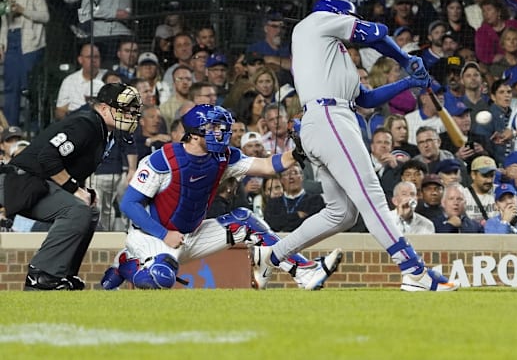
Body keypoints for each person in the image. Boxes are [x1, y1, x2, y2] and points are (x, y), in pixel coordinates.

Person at [252, 0, 458, 291]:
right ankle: (413, 271)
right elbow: (376, 32)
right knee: (372, 197)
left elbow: (364, 98)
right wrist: (403, 58)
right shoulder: (317, 22)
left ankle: (272, 255)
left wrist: (408, 82)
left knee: (342, 213)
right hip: (329, 119)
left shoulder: (327, 51)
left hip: (329, 119)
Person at [101, 104, 343, 291]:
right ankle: (125, 263)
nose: (222, 133)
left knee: (246, 221)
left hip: (191, 234)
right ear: (194, 135)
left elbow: (268, 166)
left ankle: (305, 273)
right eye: (214, 128)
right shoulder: (162, 159)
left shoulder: (223, 157)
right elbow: (129, 204)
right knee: (160, 278)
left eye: (222, 128)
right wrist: (164, 234)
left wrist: (298, 151)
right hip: (152, 236)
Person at [0, 83, 141, 290]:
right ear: (103, 108)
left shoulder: (104, 131)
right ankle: (41, 276)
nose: (129, 114)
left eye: (132, 110)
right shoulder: (85, 124)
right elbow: (48, 157)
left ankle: (63, 275)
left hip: (36, 183)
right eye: (124, 109)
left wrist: (82, 190)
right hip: (17, 183)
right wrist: (75, 191)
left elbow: (69, 166)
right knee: (77, 210)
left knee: (90, 212)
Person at [0, 0, 49, 126]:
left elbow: (44, 16)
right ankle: (10, 129)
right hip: (11, 41)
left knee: (29, 87)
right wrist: (1, 44)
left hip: (29, 42)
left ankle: (35, 126)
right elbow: (4, 22)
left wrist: (23, 10)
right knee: (10, 88)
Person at [264, 163, 325, 232]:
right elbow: (269, 224)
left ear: (302, 177)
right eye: (286, 174)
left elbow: (312, 225)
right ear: (281, 180)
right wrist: (296, 215)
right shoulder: (273, 203)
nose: (291, 177)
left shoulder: (316, 200)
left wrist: (281, 221)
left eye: (294, 173)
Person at [55, 43, 105, 120]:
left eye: (96, 57)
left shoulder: (108, 77)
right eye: (89, 57)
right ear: (80, 60)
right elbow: (60, 110)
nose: (93, 60)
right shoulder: (69, 81)